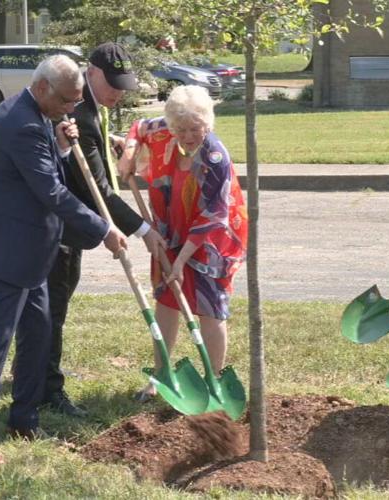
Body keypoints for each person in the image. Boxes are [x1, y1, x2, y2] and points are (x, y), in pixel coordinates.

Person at [0, 55, 128, 463]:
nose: (71, 109)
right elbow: (51, 191)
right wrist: (104, 229)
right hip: (2, 251)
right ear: (43, 87)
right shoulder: (22, 124)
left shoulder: (38, 114)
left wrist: (63, 147)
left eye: (76, 102)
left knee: (39, 333)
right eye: (67, 101)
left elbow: (44, 170)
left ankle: (24, 419)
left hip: (30, 251)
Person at [40, 42, 165, 418]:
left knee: (53, 304)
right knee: (53, 308)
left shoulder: (91, 108)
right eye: (112, 84)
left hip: (69, 224)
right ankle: (48, 388)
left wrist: (108, 141)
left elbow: (89, 144)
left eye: (123, 85)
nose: (118, 92)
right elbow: (99, 189)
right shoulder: (78, 110)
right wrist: (144, 229)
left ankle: (36, 369)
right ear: (91, 72)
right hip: (59, 228)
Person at [117, 85, 247, 402]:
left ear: (207, 123)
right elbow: (139, 127)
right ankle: (160, 376)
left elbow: (212, 216)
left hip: (212, 240)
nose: (188, 136)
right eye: (182, 129)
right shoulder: (166, 130)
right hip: (170, 231)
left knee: (210, 308)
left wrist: (180, 261)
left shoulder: (215, 158)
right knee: (167, 300)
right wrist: (130, 153)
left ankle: (214, 381)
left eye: (195, 128)